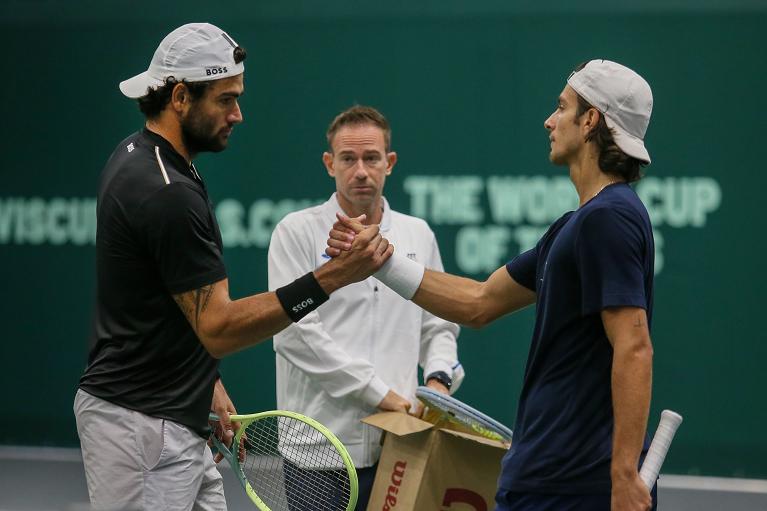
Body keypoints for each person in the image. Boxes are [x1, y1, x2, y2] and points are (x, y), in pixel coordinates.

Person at [74, 23, 391, 510]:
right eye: (225, 100)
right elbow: (218, 328)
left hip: (175, 415)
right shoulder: (166, 193)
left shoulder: (144, 155)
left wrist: (208, 383)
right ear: (180, 96)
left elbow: (164, 302)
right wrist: (334, 276)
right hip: (142, 428)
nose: (238, 114)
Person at [328, 60, 658, 511]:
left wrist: (621, 473)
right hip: (546, 472)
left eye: (561, 108)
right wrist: (379, 262)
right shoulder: (576, 225)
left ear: (590, 121)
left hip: (576, 481)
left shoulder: (609, 218)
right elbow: (478, 302)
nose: (549, 120)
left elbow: (634, 346)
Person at [267, 105, 463, 510]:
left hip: (399, 449)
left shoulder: (418, 234)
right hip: (317, 453)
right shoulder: (295, 232)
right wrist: (380, 395)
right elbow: (294, 335)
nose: (360, 170)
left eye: (371, 158)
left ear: (389, 163)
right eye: (348, 158)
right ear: (329, 163)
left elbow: (438, 325)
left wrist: (439, 384)